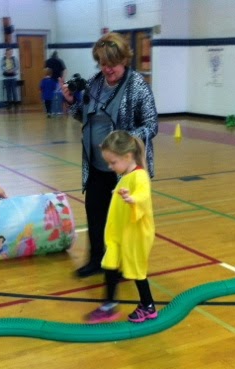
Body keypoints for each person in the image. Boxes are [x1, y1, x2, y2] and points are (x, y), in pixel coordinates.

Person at [61, 32, 158, 278]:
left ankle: (124, 265)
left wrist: (123, 141)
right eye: (102, 63)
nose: (107, 69)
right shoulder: (94, 83)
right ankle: (97, 261)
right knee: (95, 215)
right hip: (96, 165)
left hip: (125, 171)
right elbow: (84, 117)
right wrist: (71, 102)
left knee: (122, 220)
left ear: (124, 59)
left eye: (112, 63)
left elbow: (151, 125)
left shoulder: (137, 86)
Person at [86, 130, 157, 323]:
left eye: (113, 162)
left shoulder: (139, 175)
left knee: (136, 270)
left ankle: (148, 305)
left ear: (127, 156)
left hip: (136, 234)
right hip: (120, 232)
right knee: (110, 263)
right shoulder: (126, 175)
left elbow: (143, 194)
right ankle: (109, 305)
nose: (110, 167)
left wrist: (132, 199)